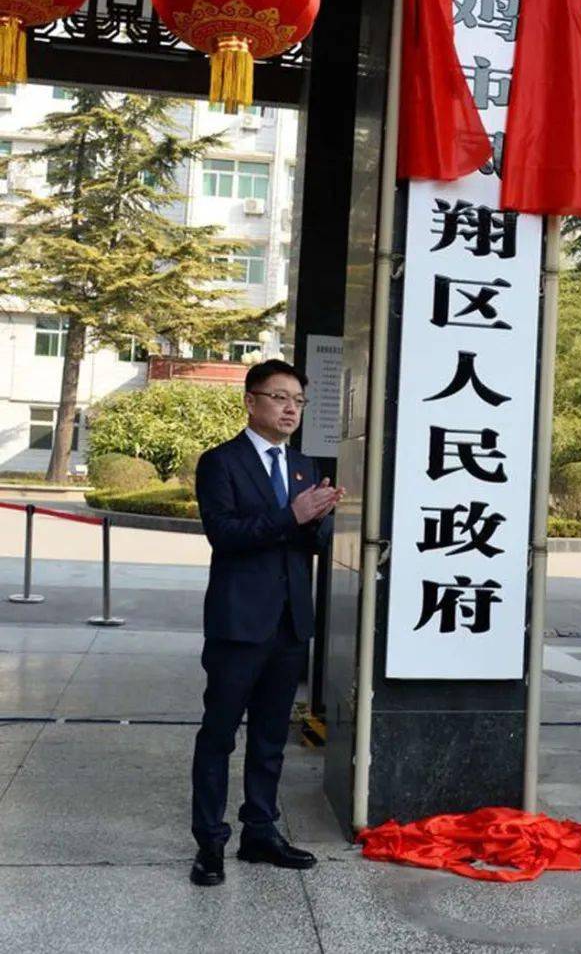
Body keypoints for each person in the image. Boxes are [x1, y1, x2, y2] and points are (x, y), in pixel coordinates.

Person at [189, 359, 344, 887]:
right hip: (239, 623)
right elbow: (225, 535)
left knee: (272, 737)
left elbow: (312, 544)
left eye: (298, 400)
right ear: (251, 401)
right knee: (219, 735)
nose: (290, 408)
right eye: (279, 397)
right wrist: (293, 516)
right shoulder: (221, 463)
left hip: (289, 623)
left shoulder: (304, 466)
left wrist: (321, 521)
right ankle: (209, 842)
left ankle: (261, 830)